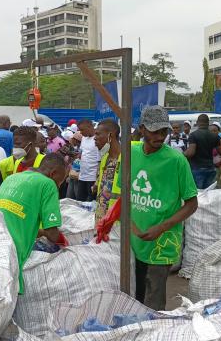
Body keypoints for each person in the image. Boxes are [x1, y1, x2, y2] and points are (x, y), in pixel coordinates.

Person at [97, 105, 198, 310]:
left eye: (164, 131)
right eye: (155, 131)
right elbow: (120, 196)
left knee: (153, 298)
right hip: (134, 240)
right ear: (142, 129)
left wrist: (161, 228)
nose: (160, 136)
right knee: (135, 294)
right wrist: (120, 225)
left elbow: (191, 204)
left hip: (162, 243)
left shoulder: (176, 160)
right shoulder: (130, 153)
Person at [0, 153, 67, 294]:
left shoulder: (12, 178)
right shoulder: (48, 184)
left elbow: (17, 220)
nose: (59, 185)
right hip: (11, 250)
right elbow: (52, 233)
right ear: (53, 173)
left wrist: (42, 233)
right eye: (60, 181)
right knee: (8, 296)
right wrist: (65, 242)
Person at [0, 126, 44, 192]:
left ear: (30, 144)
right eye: (14, 144)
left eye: (18, 144)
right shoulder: (17, 162)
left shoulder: (45, 162)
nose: (15, 147)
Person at [184, 114, 221, 189]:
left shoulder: (193, 135)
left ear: (198, 122)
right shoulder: (215, 136)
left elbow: (191, 153)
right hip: (211, 169)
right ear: (208, 122)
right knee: (209, 194)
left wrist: (182, 154)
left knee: (198, 194)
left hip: (197, 168)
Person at [92, 119, 121, 221]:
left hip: (117, 218)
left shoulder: (127, 159)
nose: (94, 138)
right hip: (101, 216)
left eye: (98, 134)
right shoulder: (104, 158)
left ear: (110, 135)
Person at [75, 119, 101, 202]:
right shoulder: (84, 138)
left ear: (90, 127)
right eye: (79, 130)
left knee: (90, 204)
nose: (81, 132)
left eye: (82, 130)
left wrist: (97, 179)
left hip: (92, 178)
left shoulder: (98, 139)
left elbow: (100, 161)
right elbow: (82, 153)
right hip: (82, 177)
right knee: (79, 202)